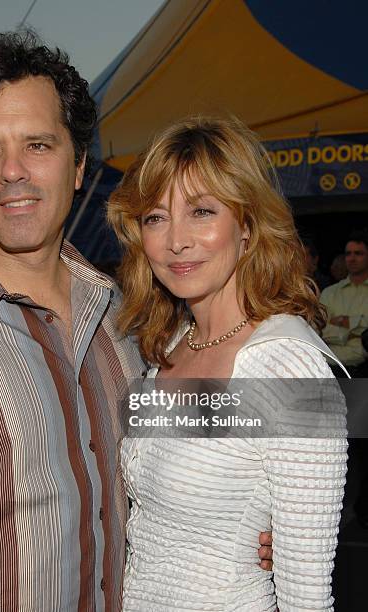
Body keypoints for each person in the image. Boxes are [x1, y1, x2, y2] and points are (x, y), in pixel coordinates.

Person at [0, 33, 272, 611]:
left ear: (79, 163)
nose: (12, 172)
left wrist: (261, 513)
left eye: (38, 144)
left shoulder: (128, 317)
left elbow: (246, 413)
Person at [108, 116, 348, 611]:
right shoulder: (167, 345)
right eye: (155, 217)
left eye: (201, 211)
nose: (176, 240)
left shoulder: (289, 365)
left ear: (247, 227)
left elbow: (307, 594)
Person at [320, 230, 368, 373]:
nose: (352, 258)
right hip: (328, 368)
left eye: (358, 253)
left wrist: (338, 322)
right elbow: (319, 330)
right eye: (348, 254)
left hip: (363, 369)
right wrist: (356, 328)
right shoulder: (329, 292)